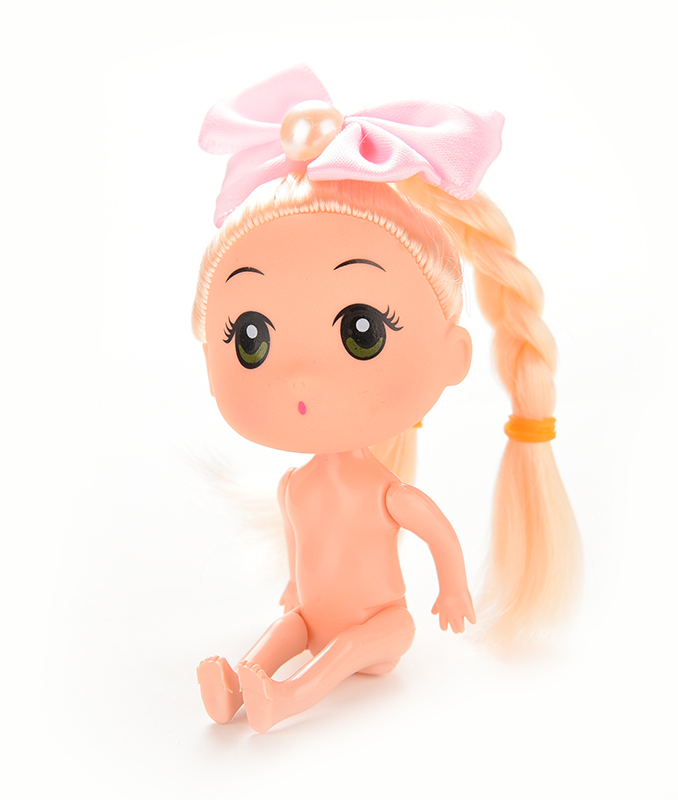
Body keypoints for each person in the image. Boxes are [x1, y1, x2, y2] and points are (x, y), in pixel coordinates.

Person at [192, 66, 581, 732]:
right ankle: (239, 681)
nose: (301, 376)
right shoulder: (293, 487)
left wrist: (452, 588)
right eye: (250, 337)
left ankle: (288, 698)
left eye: (360, 332)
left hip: (381, 627)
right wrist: (294, 586)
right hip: (311, 612)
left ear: (454, 357)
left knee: (347, 649)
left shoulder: (386, 493)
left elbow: (438, 536)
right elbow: (300, 545)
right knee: (288, 628)